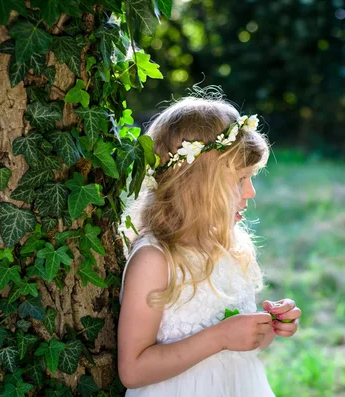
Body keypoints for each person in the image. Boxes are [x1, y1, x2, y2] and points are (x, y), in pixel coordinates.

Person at [117, 89, 301, 396]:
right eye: (241, 179)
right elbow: (133, 369)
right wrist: (220, 337)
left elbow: (238, 345)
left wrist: (267, 327)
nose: (251, 192)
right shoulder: (155, 259)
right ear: (197, 185)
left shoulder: (231, 247)